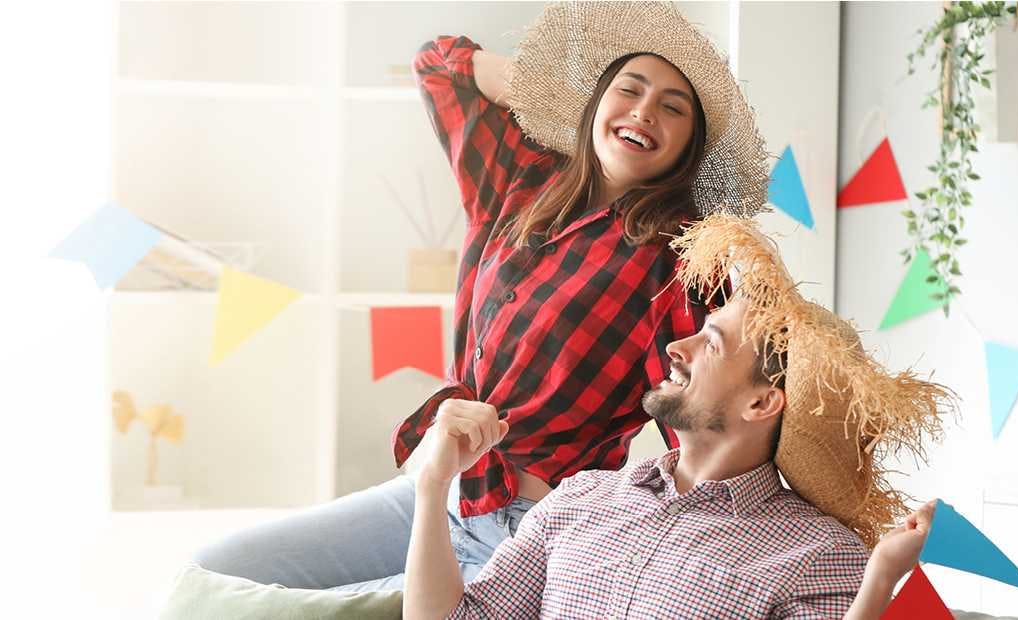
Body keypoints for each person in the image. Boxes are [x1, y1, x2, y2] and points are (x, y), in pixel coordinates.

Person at [194, 2, 770, 591]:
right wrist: (548, 91)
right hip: (431, 487)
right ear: (596, 104)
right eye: (629, 90)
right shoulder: (521, 178)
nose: (645, 111)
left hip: (524, 527)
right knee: (218, 573)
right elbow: (438, 65)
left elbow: (701, 416)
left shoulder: (683, 257)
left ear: (687, 146)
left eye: (672, 108)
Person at [403, 215, 954, 619]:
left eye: (710, 342)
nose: (675, 346)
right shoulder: (579, 500)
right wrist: (434, 484)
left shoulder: (817, 552)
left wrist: (880, 580)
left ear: (762, 402)